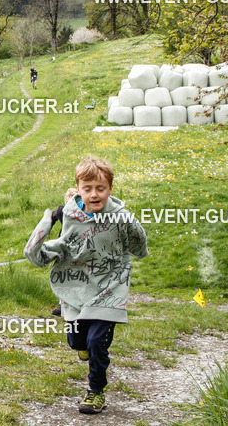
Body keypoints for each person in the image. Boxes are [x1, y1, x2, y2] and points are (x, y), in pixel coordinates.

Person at [24, 156, 148, 415]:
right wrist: (49, 222)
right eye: (88, 188)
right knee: (76, 340)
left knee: (96, 341)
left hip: (109, 289)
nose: (94, 194)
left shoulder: (120, 217)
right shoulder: (70, 215)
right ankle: (82, 347)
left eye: (100, 189)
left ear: (110, 189)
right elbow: (53, 247)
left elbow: (139, 246)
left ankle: (96, 391)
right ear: (78, 189)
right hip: (77, 290)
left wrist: (133, 229)